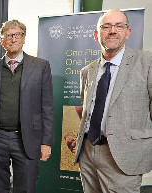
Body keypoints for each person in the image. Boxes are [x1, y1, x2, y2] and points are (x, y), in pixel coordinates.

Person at [66, 9, 152, 193]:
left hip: (123, 157)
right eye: (106, 27)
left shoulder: (147, 63)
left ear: (127, 33)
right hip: (88, 152)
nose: (112, 31)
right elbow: (87, 111)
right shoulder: (87, 71)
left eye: (119, 26)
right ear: (97, 35)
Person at [0, 19, 54, 193]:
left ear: (24, 38)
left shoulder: (41, 66)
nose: (12, 39)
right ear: (2, 41)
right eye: (8, 36)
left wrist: (46, 142)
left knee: (26, 188)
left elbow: (47, 107)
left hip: (27, 139)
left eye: (17, 35)